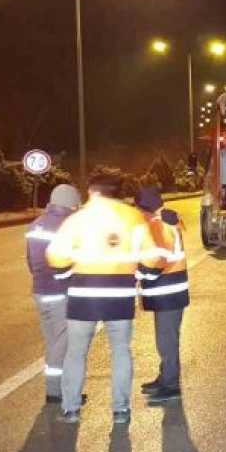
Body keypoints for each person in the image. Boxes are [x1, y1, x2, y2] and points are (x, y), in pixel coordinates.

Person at [46, 175, 163, 424]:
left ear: (93, 192)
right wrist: (138, 276)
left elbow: (55, 256)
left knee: (76, 353)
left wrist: (66, 274)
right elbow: (153, 257)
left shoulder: (77, 218)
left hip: (83, 295)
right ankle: (121, 410)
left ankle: (71, 408)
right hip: (119, 295)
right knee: (121, 351)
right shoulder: (133, 217)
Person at [24, 184, 81, 405]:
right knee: (62, 343)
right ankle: (56, 391)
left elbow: (31, 260)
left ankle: (59, 388)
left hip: (40, 291)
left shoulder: (35, 225)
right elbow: (71, 261)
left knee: (51, 341)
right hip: (60, 291)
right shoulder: (67, 226)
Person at [134, 188, 189, 405]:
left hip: (167, 291)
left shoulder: (157, 224)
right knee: (165, 340)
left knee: (167, 342)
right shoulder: (163, 221)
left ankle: (171, 385)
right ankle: (165, 377)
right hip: (168, 291)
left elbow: (159, 258)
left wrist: (139, 274)